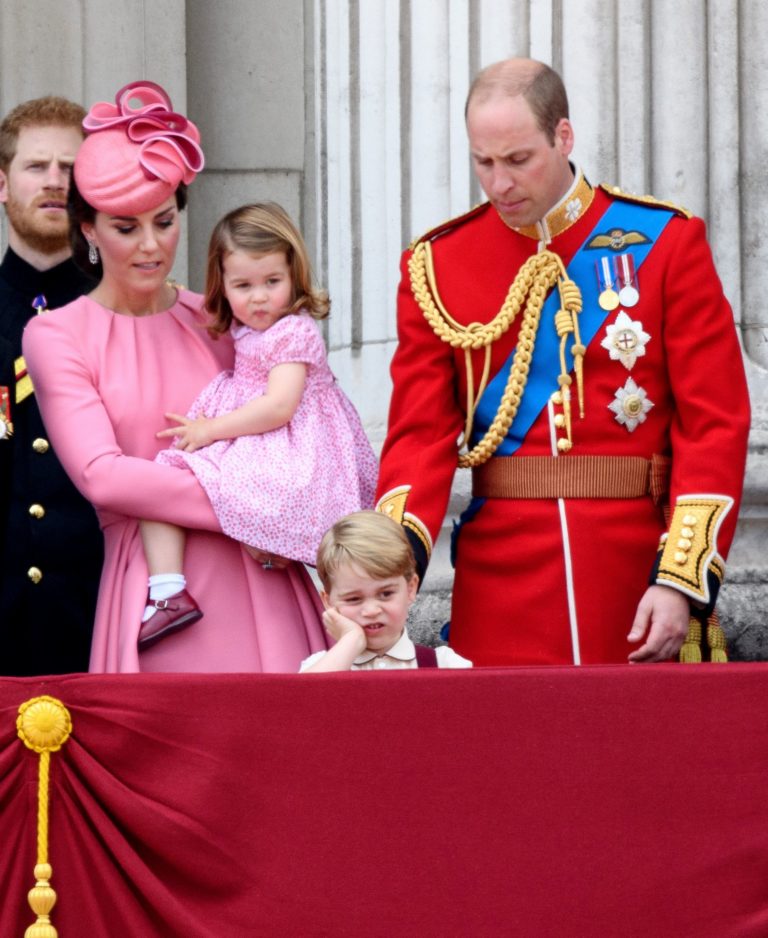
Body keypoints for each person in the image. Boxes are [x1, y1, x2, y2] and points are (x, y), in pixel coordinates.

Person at [376, 58, 751, 667]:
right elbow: (417, 437)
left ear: (563, 136)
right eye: (483, 163)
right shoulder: (436, 267)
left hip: (634, 575)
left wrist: (680, 576)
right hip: (500, 581)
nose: (499, 184)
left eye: (518, 159)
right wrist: (386, 569)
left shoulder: (664, 242)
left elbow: (714, 423)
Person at [22, 80, 329, 672]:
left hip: (265, 578)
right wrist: (261, 503)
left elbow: (295, 423)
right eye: (125, 227)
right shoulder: (56, 335)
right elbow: (104, 478)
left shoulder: (218, 318)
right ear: (88, 228)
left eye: (164, 222)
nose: (151, 246)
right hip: (162, 598)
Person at [137, 202, 377, 649]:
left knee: (174, 473)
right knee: (168, 475)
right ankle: (169, 589)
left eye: (272, 282)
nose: (260, 297)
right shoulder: (247, 331)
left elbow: (280, 407)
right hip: (264, 438)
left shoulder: (293, 332)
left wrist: (210, 430)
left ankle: (169, 588)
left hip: (294, 446)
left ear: (294, 275)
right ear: (222, 286)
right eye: (243, 285)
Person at [0, 95, 103, 675]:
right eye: (36, 166)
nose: (54, 182)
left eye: (71, 168)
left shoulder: (127, 315)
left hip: (99, 617)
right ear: (2, 183)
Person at [300, 510, 472, 671]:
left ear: (410, 588)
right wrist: (352, 641)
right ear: (328, 602)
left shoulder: (446, 665)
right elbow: (298, 700)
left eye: (386, 594)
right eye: (353, 599)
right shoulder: (318, 666)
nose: (372, 611)